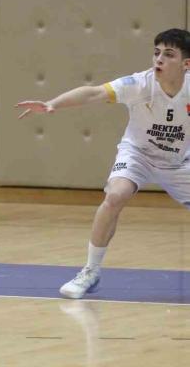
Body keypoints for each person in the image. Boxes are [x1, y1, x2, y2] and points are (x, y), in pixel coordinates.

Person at [16, 28, 190, 299]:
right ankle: (90, 271)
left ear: (186, 64)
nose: (159, 59)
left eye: (169, 55)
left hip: (177, 161)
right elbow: (94, 93)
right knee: (115, 195)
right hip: (138, 155)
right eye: (156, 53)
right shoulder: (140, 84)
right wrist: (53, 104)